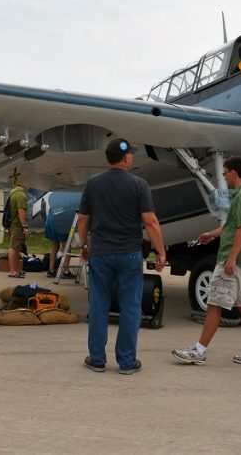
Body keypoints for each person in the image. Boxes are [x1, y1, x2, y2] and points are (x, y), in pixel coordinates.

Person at [77, 138, 166, 375]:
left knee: (98, 305)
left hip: (101, 253)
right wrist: (161, 251)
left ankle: (97, 359)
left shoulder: (93, 184)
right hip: (129, 254)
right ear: (126, 157)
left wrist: (83, 245)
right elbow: (150, 221)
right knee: (130, 307)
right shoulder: (139, 185)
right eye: (132, 155)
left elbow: (83, 219)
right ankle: (126, 362)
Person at [172, 156, 241, 367]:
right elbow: (232, 226)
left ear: (234, 173)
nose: (224, 177)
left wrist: (231, 259)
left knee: (214, 305)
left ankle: (199, 351)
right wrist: (211, 234)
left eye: (225, 174)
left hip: (233, 263)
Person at [6, 175, 29, 278]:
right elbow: (21, 211)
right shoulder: (21, 195)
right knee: (14, 247)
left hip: (12, 223)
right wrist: (24, 226)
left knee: (15, 247)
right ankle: (13, 271)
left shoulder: (13, 192)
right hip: (17, 224)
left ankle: (15, 269)